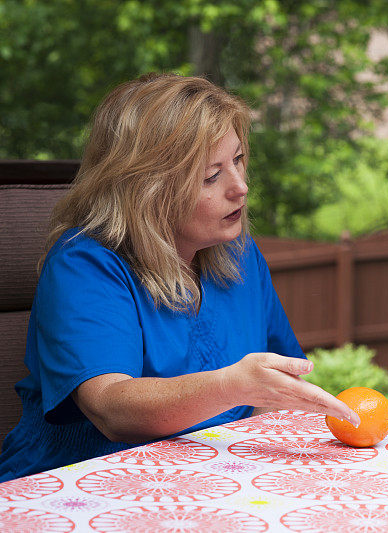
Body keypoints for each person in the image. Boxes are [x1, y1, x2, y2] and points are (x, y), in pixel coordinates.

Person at [0, 73, 359, 481]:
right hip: (80, 485)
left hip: (210, 480)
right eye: (212, 176)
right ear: (148, 189)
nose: (240, 187)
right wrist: (230, 386)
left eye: (238, 160)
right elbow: (111, 407)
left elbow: (278, 387)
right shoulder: (84, 263)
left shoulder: (240, 254)